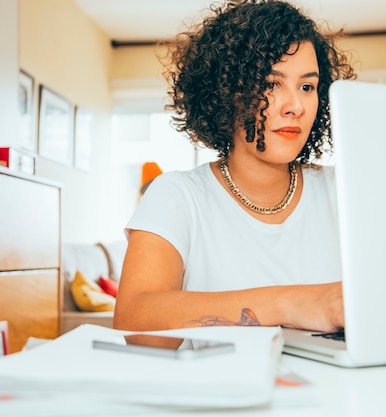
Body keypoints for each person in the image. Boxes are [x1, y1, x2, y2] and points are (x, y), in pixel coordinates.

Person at [114, 0, 355, 333]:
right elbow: (136, 324)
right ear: (227, 92)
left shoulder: (346, 191)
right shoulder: (177, 197)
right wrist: (292, 304)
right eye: (271, 83)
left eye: (307, 87)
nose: (295, 106)